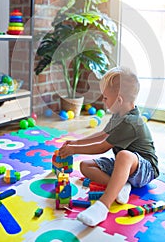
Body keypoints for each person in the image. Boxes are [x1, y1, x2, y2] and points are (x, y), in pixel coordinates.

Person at [59, 66, 159, 227]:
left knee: (124, 155)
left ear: (119, 100)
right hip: (124, 167)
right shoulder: (119, 114)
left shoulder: (130, 121)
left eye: (105, 98)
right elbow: (102, 134)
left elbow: (102, 146)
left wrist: (74, 150)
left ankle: (102, 206)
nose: (103, 101)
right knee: (85, 165)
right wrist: (75, 142)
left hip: (145, 169)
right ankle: (120, 185)